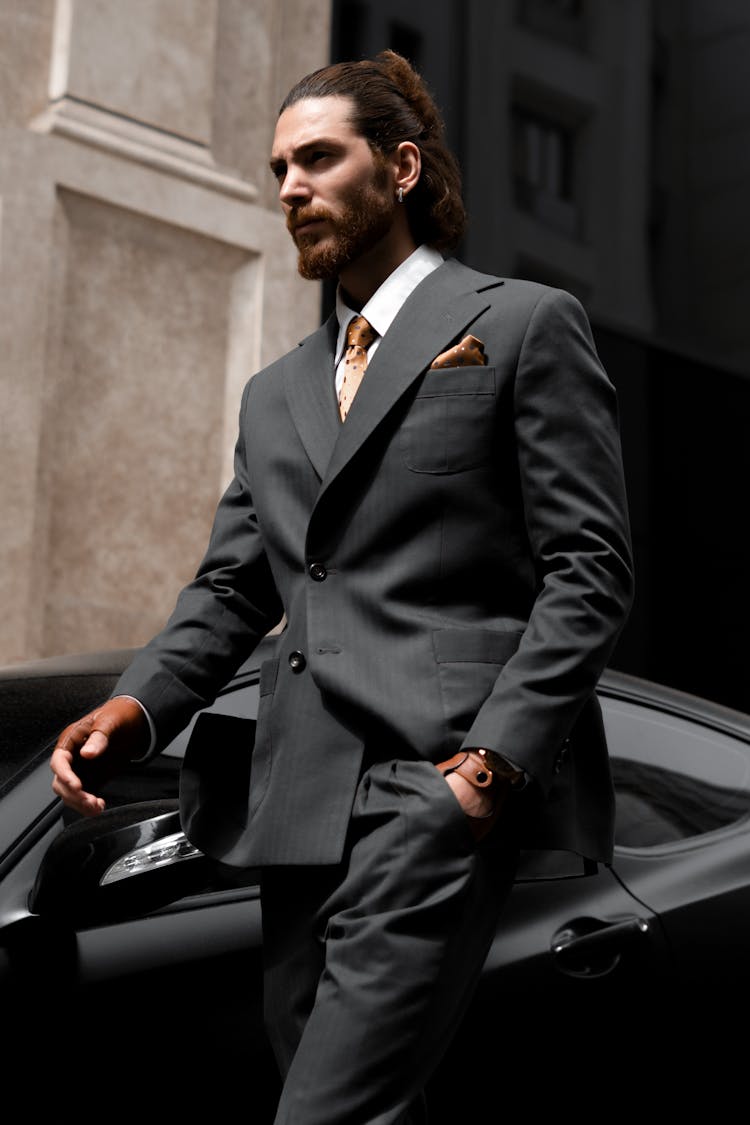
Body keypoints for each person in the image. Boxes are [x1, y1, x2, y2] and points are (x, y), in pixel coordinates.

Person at [50, 50, 634, 1124]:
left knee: (327, 1112)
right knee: (336, 1092)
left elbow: (589, 571)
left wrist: (485, 773)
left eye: (317, 158)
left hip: (436, 781)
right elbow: (233, 586)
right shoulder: (275, 395)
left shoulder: (520, 325)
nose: (289, 187)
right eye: (278, 167)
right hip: (298, 799)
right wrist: (135, 709)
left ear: (401, 167)